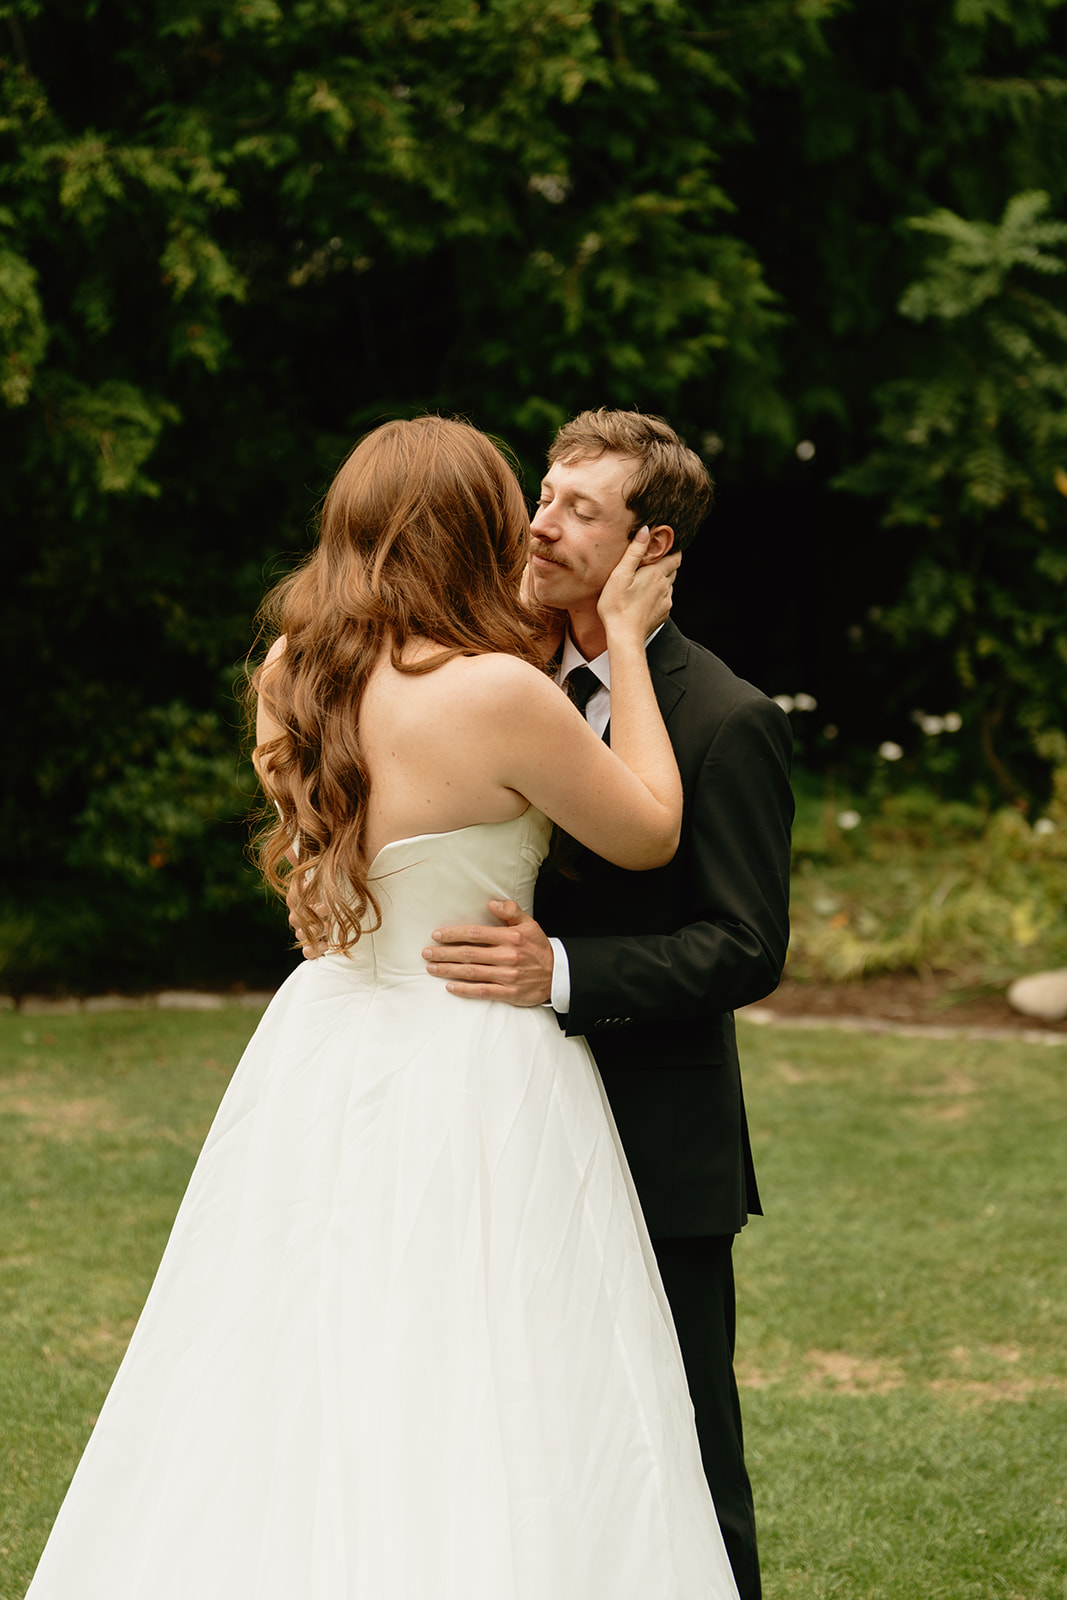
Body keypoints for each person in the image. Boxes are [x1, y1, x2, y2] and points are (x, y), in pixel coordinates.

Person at [25, 416, 739, 1600]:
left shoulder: (288, 676)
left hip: (325, 1037)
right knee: (484, 1353)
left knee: (298, 1338)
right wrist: (621, 636)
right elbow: (649, 823)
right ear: (468, 530)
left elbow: (326, 869)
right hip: (471, 1052)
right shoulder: (500, 695)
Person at [421, 409, 794, 1600]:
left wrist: (565, 976)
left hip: (653, 1143)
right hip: (497, 1123)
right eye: (544, 493)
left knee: (676, 1448)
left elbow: (743, 944)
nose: (539, 521)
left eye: (579, 509)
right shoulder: (492, 671)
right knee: (520, 1433)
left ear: (651, 546)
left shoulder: (725, 718)